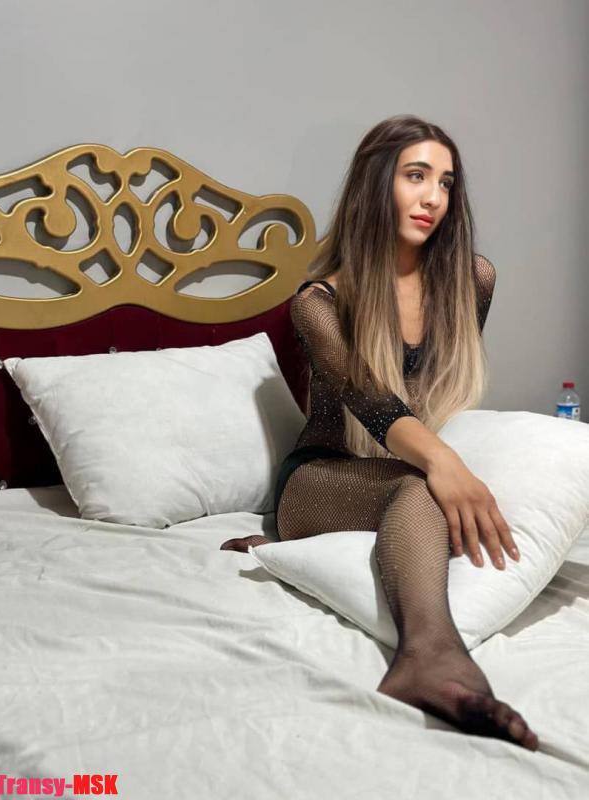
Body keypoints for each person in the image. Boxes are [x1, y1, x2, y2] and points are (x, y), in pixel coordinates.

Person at [221, 114, 539, 752]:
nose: (434, 197)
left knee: (429, 485)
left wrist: (446, 463)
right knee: (423, 486)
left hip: (404, 469)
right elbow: (373, 404)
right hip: (319, 480)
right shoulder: (318, 302)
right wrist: (444, 464)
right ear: (375, 182)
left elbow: (433, 394)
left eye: (446, 183)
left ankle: (429, 658)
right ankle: (428, 656)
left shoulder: (472, 281)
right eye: (416, 176)